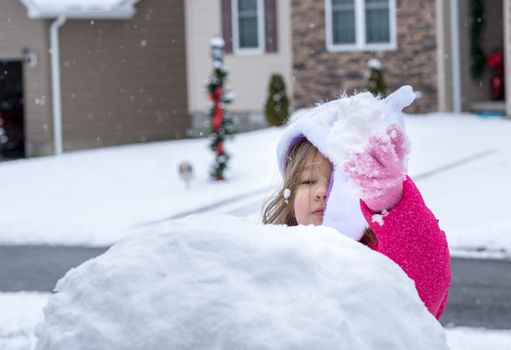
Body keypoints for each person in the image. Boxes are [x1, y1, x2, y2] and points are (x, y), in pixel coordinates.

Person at [262, 86, 451, 319]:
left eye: (336, 181)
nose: (321, 191)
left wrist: (388, 202)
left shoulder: (375, 254)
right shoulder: (274, 254)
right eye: (308, 181)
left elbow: (421, 291)